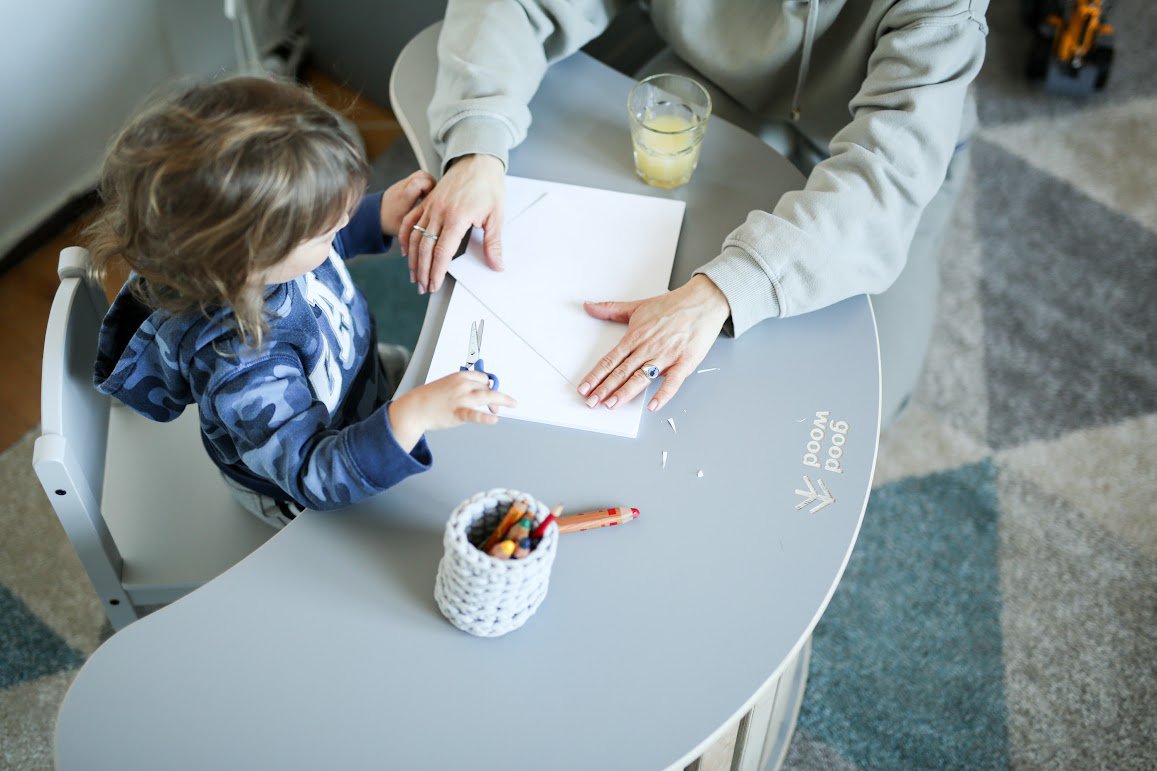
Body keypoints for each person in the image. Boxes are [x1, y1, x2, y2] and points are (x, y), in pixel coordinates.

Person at [403, 0, 988, 425]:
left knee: (865, 393)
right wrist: (477, 142)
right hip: (708, 86)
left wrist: (723, 291)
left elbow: (884, 181)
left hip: (881, 149)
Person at [88, 75, 515, 529]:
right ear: (250, 263)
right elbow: (315, 474)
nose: (342, 227)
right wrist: (415, 414)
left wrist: (379, 213)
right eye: (329, 230)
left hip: (360, 382)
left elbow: (312, 254)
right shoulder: (240, 363)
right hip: (307, 485)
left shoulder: (260, 257)